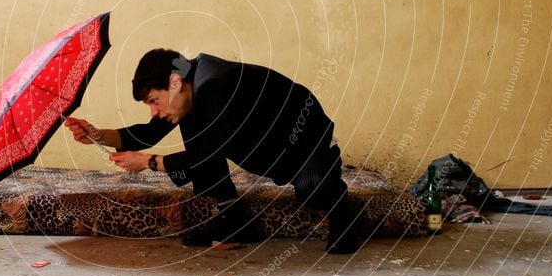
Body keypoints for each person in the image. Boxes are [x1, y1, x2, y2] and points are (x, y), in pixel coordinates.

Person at [65, 49, 360, 254]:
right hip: (260, 145)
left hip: (303, 139)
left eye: (154, 101)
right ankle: (234, 219)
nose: (155, 110)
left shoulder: (220, 87)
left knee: (313, 188)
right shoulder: (184, 74)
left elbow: (205, 156)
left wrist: (149, 162)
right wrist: (97, 134)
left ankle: (343, 213)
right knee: (189, 118)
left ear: (174, 84)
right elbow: (152, 130)